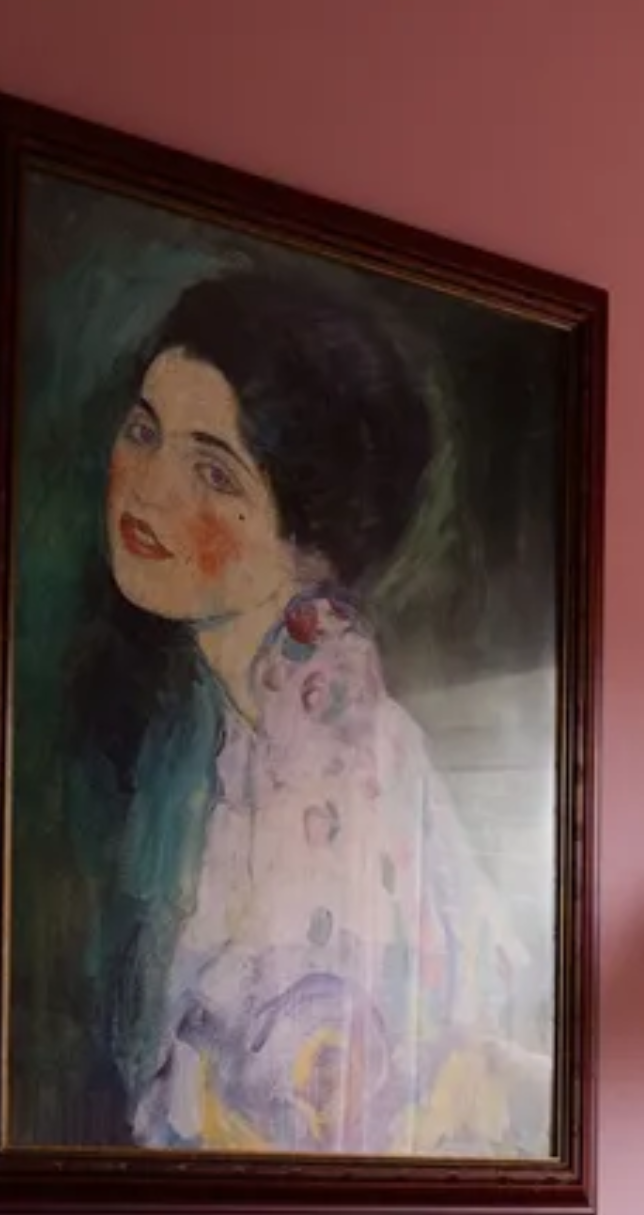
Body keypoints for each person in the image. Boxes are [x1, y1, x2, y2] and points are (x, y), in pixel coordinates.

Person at [86, 270, 548, 1156]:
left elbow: (284, 1131)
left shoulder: (336, 769)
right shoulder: (237, 731)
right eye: (145, 430)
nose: (148, 489)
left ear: (313, 544)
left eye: (213, 473)